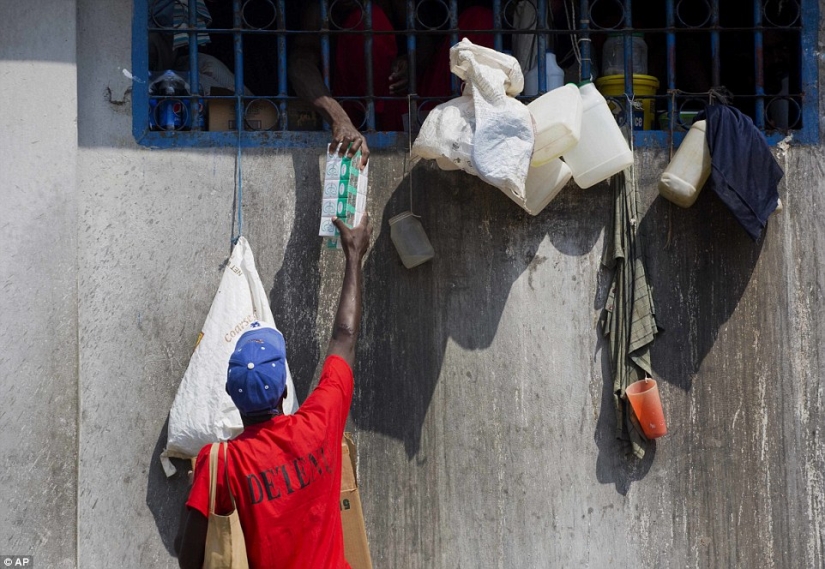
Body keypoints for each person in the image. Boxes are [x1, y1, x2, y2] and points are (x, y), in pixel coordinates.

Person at [176, 213, 372, 569]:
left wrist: (196, 490)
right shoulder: (318, 424)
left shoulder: (222, 464)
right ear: (283, 391)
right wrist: (354, 255)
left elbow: (188, 558)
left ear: (232, 394)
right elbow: (344, 336)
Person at [288, 1, 494, 169]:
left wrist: (411, 63)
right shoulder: (320, 9)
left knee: (479, 19)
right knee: (369, 21)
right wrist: (339, 120)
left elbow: (425, 44)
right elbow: (299, 64)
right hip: (356, 114)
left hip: (411, 105)